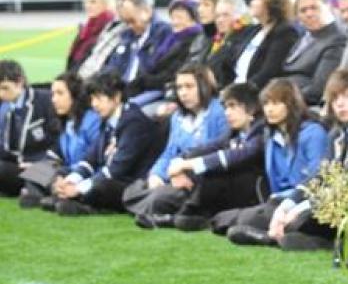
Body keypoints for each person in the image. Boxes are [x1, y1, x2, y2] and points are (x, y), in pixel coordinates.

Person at [267, 69, 348, 251]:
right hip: (331, 200)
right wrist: (287, 205)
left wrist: (302, 208)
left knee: (299, 219)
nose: (340, 104)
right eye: (335, 99)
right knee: (275, 210)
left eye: (346, 97)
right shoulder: (337, 133)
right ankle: (282, 234)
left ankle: (316, 240)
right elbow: (320, 175)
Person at [219, 79, 328, 245]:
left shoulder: (313, 133)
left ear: (291, 105)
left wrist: (288, 203)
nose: (269, 109)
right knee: (228, 219)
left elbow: (317, 179)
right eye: (266, 103)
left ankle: (270, 237)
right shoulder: (271, 136)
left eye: (276, 103)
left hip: (304, 202)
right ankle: (273, 236)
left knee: (247, 220)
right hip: (278, 201)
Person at [123, 64, 228, 227]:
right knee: (130, 191)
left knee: (157, 199)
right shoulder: (178, 116)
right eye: (179, 87)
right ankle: (155, 207)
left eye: (189, 86)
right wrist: (157, 175)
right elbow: (169, 152)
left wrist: (184, 171)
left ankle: (158, 210)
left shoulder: (219, 113)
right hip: (174, 176)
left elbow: (218, 151)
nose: (183, 93)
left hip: (198, 180)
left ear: (204, 86)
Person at [51, 71, 166, 215]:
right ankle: (72, 198)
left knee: (103, 186)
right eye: (92, 99)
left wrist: (78, 188)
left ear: (117, 97)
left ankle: (83, 204)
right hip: (113, 177)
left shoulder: (134, 122)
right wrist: (71, 180)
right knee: (63, 173)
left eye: (99, 98)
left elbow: (117, 170)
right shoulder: (108, 120)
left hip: (133, 183)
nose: (94, 104)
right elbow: (90, 159)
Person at [169, 82, 268, 232]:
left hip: (255, 194)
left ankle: (190, 215)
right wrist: (179, 163)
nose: (227, 113)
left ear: (252, 108)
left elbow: (238, 155)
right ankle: (186, 215)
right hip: (232, 193)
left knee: (212, 171)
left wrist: (187, 165)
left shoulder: (262, 132)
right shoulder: (233, 133)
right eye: (226, 108)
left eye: (233, 106)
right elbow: (205, 149)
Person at [19, 72, 100, 208]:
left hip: (86, 173)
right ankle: (54, 195)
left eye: (60, 94)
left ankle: (55, 196)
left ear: (75, 96)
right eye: (53, 94)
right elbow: (56, 154)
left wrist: (62, 173)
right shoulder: (66, 121)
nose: (54, 99)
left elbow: (95, 158)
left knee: (54, 174)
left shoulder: (91, 120)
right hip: (69, 171)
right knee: (37, 170)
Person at [277, 0, 346, 109]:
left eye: (314, 8)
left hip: (305, 105)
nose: (309, 14)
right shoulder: (305, 37)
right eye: (303, 11)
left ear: (327, 7)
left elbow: (319, 89)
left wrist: (285, 102)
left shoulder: (336, 40)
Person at [126, 0, 204, 101]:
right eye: (172, 18)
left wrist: (144, 81)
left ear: (194, 19)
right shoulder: (171, 39)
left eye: (179, 18)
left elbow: (172, 74)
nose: (175, 22)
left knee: (131, 107)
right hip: (153, 86)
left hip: (167, 90)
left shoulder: (194, 40)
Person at [0, 60, 57, 197]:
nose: (1, 94)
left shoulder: (45, 101)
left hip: (45, 166)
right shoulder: (4, 106)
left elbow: (58, 142)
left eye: (4, 88)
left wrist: (37, 164)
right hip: (18, 166)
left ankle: (32, 188)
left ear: (19, 82)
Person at [226, 0, 299, 90]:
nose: (252, 3)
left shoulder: (285, 32)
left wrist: (241, 91)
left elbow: (269, 72)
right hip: (236, 88)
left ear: (271, 4)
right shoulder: (253, 30)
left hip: (255, 92)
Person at [104, 0, 173, 95]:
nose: (129, 26)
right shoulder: (126, 37)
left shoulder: (163, 34)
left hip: (148, 90)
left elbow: (156, 69)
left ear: (146, 12)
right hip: (122, 90)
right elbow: (113, 66)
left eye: (132, 21)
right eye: (126, 22)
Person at [77, 0, 143, 80]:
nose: (88, 6)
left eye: (93, 2)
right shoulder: (110, 25)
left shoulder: (112, 26)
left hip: (97, 82)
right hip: (86, 77)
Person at [206, 0, 252, 87]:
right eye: (217, 16)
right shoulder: (218, 39)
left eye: (225, 15)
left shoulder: (246, 37)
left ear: (239, 16)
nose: (220, 20)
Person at [67, 0, 116, 72]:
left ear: (106, 3)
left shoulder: (110, 28)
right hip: (74, 78)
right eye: (86, 2)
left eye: (93, 2)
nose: (87, 6)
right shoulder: (86, 28)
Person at [184, 0, 226, 66]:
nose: (200, 10)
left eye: (206, 5)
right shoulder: (201, 36)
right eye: (199, 5)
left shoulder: (227, 38)